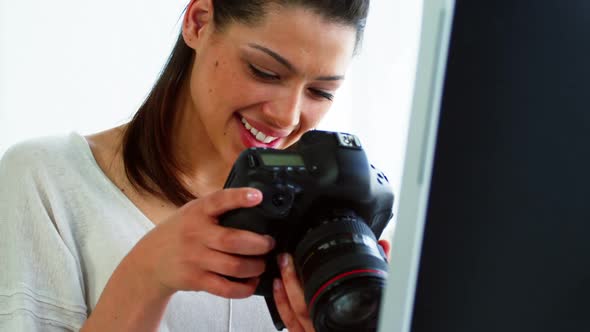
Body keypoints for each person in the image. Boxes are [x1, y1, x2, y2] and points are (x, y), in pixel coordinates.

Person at [0, 0, 391, 331]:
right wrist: (146, 275)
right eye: (265, 72)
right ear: (199, 22)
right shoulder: (48, 181)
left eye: (320, 92)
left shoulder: (328, 238)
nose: (288, 117)